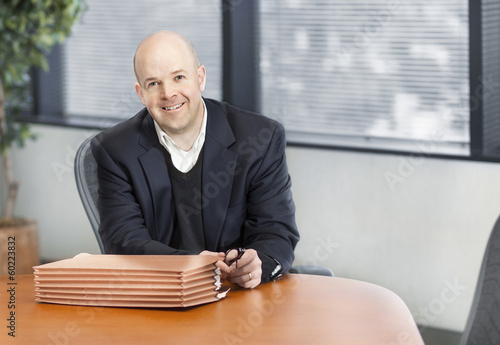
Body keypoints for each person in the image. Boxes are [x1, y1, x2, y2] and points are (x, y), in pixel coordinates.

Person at [91, 31, 299, 289]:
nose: (168, 93)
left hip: (240, 295)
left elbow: (276, 230)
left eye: (179, 77)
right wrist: (192, 265)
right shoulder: (114, 150)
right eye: (154, 84)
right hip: (162, 295)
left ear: (200, 78)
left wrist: (259, 264)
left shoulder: (260, 138)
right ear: (141, 93)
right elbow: (122, 242)